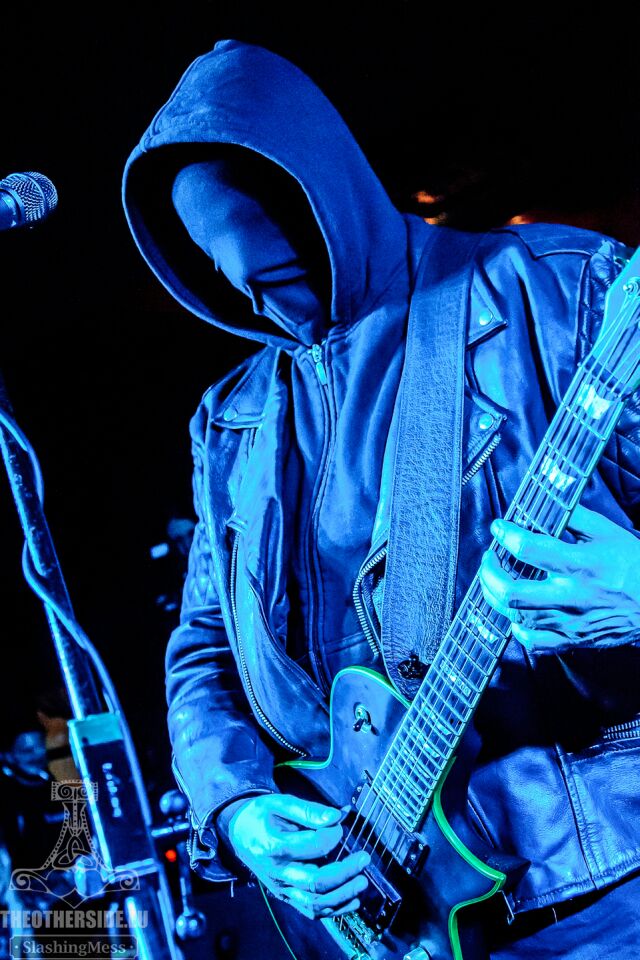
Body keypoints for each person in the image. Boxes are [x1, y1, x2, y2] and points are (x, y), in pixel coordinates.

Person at [122, 38, 640, 958]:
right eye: (222, 275)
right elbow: (201, 651)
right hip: (391, 915)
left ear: (325, 194)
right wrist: (237, 809)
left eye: (277, 269)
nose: (255, 301)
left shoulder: (558, 290)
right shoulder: (232, 421)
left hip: (603, 887)